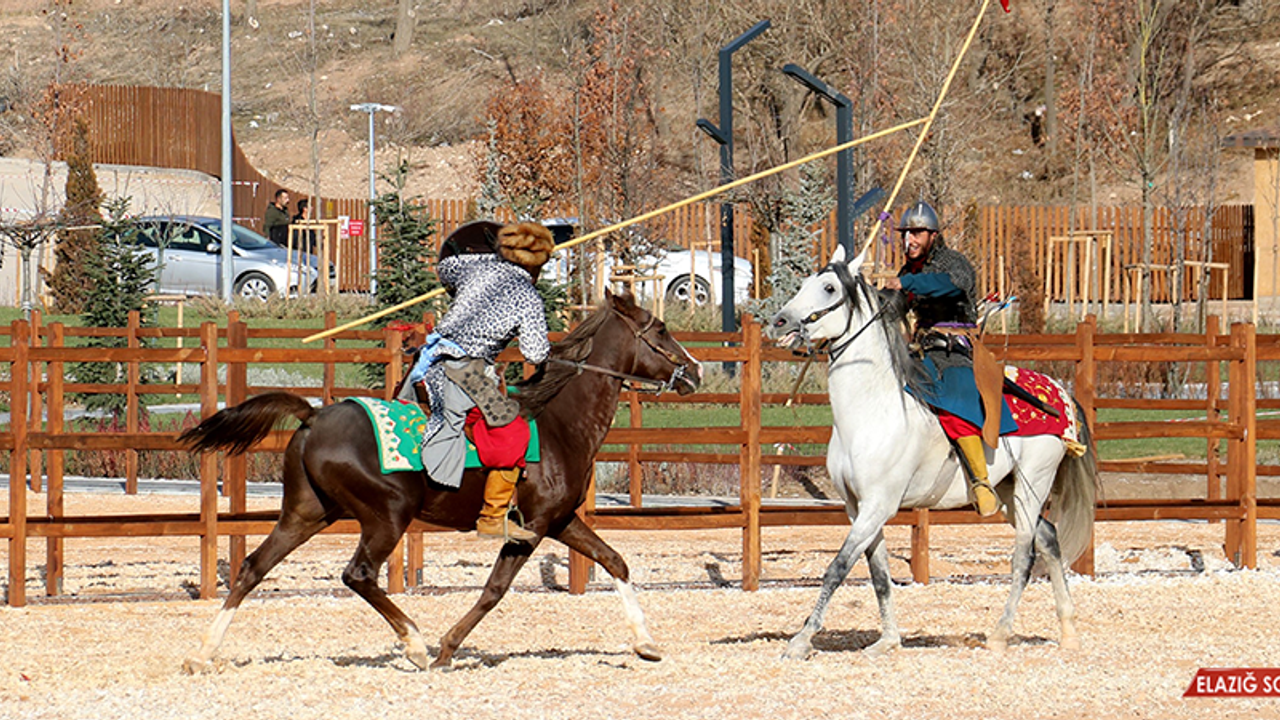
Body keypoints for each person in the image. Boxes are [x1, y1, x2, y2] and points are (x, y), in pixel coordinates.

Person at [405, 220, 553, 542]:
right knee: (513, 431)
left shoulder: (472, 270)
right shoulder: (527, 295)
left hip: (429, 363)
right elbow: (535, 353)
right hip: (465, 373)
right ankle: (492, 517)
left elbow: (448, 265)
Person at [882, 200, 1013, 517]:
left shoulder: (953, 263)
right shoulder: (907, 272)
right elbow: (894, 310)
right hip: (921, 349)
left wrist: (907, 282)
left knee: (952, 394)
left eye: (916, 233)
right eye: (905, 233)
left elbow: (953, 285)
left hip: (956, 350)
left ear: (933, 235)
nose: (908, 240)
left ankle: (981, 482)